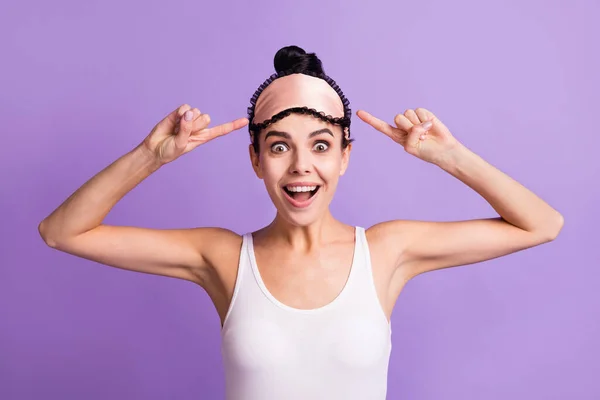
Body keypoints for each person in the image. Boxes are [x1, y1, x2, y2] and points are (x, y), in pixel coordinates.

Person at [38, 45, 564, 399]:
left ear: (345, 156)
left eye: (320, 146)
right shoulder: (221, 257)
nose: (300, 168)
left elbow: (541, 224)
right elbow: (62, 232)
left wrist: (449, 157)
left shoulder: (387, 251)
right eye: (279, 147)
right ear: (255, 160)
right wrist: (150, 156)